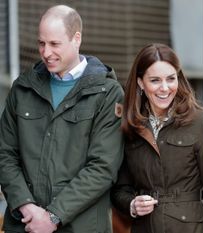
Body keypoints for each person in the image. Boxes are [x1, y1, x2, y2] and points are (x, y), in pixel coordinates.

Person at [0, 5, 124, 233]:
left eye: (54, 44)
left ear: (76, 39)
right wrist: (27, 208)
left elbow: (103, 167)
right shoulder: (22, 89)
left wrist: (54, 216)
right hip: (24, 226)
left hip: (82, 227)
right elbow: (5, 154)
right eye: (41, 43)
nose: (46, 52)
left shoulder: (107, 93)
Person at [110, 43, 203, 233]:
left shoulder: (198, 122)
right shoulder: (130, 126)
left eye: (171, 79)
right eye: (155, 80)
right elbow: (119, 189)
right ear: (140, 83)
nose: (164, 88)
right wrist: (132, 205)